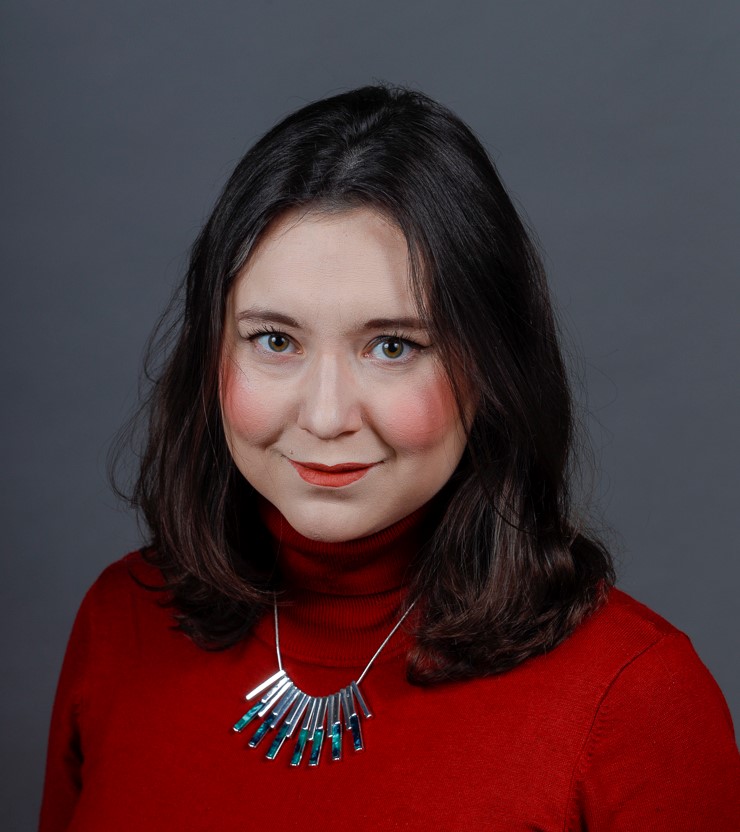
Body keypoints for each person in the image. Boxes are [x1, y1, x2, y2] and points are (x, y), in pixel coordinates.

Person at [39, 85, 740, 831]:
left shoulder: (634, 700)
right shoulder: (120, 622)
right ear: (212, 354)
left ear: (490, 370)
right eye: (275, 340)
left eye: (393, 346)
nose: (326, 416)